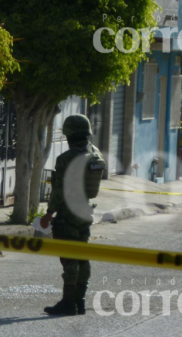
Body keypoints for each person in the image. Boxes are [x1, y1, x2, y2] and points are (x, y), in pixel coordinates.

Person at [40, 114, 106, 316]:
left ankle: (68, 303)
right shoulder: (96, 154)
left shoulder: (66, 159)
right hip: (85, 210)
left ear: (70, 135)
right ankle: (80, 300)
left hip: (68, 212)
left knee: (69, 258)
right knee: (82, 256)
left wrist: (49, 213)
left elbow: (59, 190)